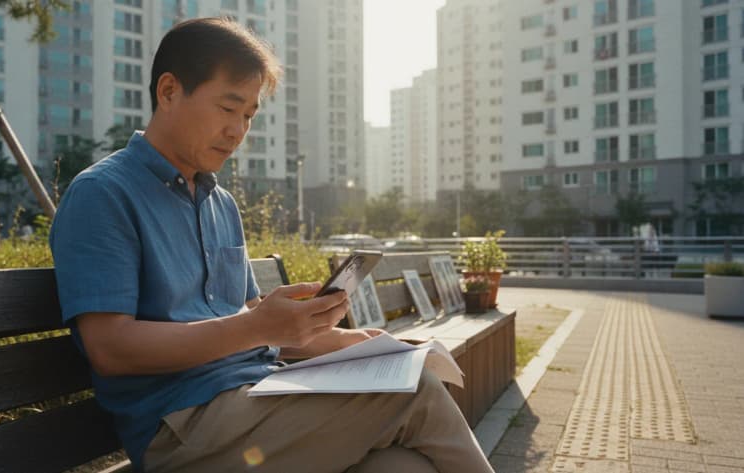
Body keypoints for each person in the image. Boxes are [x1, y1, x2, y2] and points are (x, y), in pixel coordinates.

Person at [49, 17, 494, 473]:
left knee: (401, 468)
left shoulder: (220, 204)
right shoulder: (103, 194)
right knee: (416, 390)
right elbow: (110, 348)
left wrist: (354, 344)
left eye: (248, 115)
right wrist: (259, 327)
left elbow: (256, 333)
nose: (239, 130)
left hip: (258, 399)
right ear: (168, 92)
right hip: (183, 430)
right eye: (228, 107)